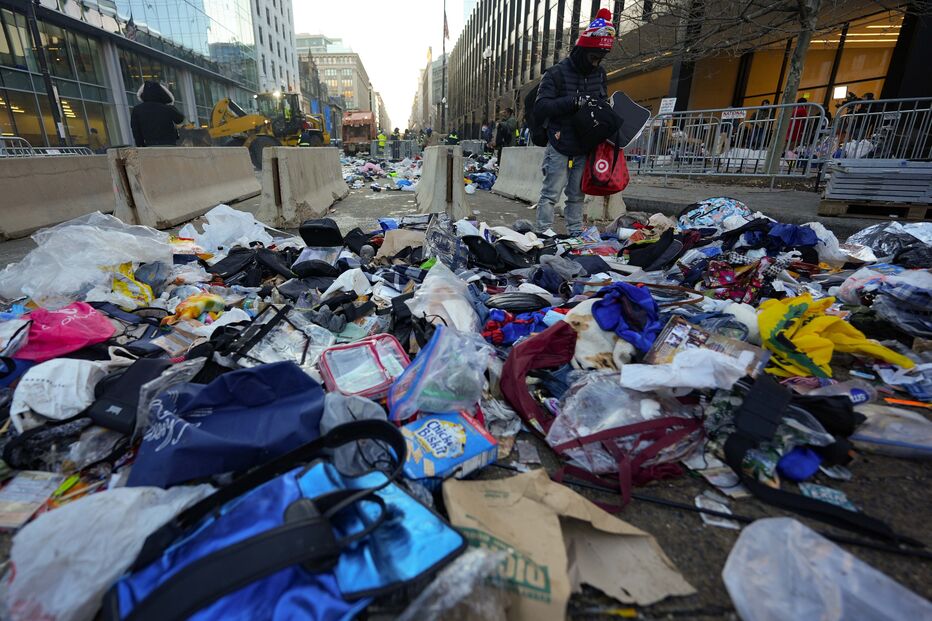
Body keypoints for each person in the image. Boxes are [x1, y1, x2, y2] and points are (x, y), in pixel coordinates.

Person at [533, 8, 615, 234]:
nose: (597, 63)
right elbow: (541, 107)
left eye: (601, 59)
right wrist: (573, 102)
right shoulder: (555, 74)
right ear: (583, 50)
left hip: (584, 144)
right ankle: (543, 233)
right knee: (551, 193)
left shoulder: (599, 74)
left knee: (577, 195)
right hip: (559, 142)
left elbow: (602, 101)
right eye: (593, 58)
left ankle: (576, 234)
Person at [131, 81, 184, 147]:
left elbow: (136, 130)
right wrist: (170, 105)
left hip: (149, 144)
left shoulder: (137, 109)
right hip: (169, 144)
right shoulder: (166, 108)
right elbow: (179, 119)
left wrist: (140, 145)